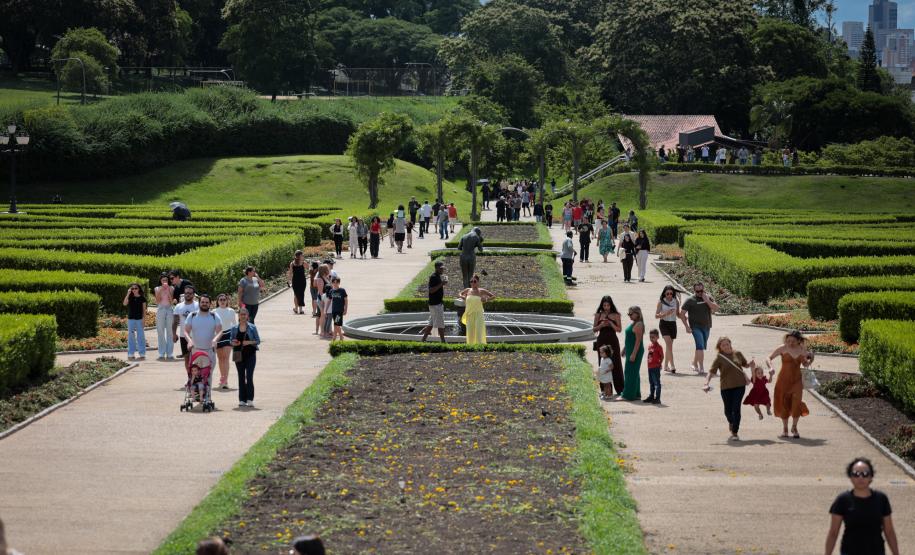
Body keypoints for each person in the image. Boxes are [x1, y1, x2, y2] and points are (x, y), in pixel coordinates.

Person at [826, 458, 900, 555]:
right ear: (850, 477)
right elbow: (833, 532)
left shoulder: (881, 499)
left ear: (871, 477)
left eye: (865, 474)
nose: (860, 478)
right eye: (856, 474)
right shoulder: (843, 500)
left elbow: (889, 531)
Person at [703, 337, 754, 441]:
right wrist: (706, 383)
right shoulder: (719, 358)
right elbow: (711, 372)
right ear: (720, 347)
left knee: (736, 408)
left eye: (727, 344)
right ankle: (731, 421)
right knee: (727, 411)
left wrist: (751, 364)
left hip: (740, 385)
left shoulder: (738, 354)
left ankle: (735, 432)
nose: (726, 346)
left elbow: (745, 365)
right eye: (723, 345)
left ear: (730, 344)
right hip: (726, 387)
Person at [768, 330, 813, 438]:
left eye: (793, 341)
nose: (790, 343)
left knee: (796, 403)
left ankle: (794, 427)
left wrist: (811, 359)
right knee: (784, 403)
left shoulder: (802, 350)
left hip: (797, 381)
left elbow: (805, 365)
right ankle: (785, 429)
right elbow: (768, 358)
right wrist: (771, 367)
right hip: (783, 380)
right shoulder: (782, 348)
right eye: (788, 341)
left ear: (798, 341)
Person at [680, 282, 719, 374]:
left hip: (707, 326)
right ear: (694, 291)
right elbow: (682, 314)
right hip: (695, 327)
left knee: (700, 346)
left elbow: (716, 308)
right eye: (697, 291)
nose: (700, 293)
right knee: (700, 346)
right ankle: (701, 367)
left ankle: (694, 363)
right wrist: (687, 327)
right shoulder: (690, 300)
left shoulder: (708, 297)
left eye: (701, 291)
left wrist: (707, 300)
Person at [593, 295, 624, 396]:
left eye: (608, 305)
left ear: (611, 305)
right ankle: (605, 390)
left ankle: (620, 389)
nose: (606, 307)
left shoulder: (616, 315)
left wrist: (611, 324)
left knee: (616, 363)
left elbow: (619, 330)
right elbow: (594, 329)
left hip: (612, 340)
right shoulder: (598, 314)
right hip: (601, 340)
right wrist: (601, 325)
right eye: (604, 305)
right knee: (603, 364)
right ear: (602, 305)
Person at [230, 307, 260, 408]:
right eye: (241, 314)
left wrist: (249, 342)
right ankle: (242, 399)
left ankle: (250, 399)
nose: (243, 316)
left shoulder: (252, 327)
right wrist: (234, 342)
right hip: (239, 355)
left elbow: (258, 341)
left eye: (244, 314)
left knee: (249, 377)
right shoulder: (234, 328)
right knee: (241, 377)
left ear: (247, 316)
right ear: (238, 316)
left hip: (251, 355)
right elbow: (231, 340)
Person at [185, 293, 222, 364]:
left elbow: (220, 331)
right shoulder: (192, 315)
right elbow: (186, 331)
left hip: (210, 351)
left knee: (208, 375)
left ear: (210, 304)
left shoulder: (214, 316)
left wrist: (215, 340)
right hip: (195, 351)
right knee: (195, 375)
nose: (204, 304)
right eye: (202, 302)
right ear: (199, 303)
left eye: (207, 302)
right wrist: (189, 341)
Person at [459, 274, 494, 345]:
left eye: (474, 281)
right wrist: (463, 297)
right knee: (470, 331)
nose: (472, 283)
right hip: (469, 314)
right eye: (471, 281)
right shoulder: (468, 290)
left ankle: (480, 346)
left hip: (479, 314)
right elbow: (459, 293)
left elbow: (493, 296)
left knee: (479, 331)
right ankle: (470, 346)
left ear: (478, 282)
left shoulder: (481, 291)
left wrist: (486, 299)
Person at [620, 306, 645, 401]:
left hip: (635, 351)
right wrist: (625, 348)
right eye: (628, 314)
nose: (629, 316)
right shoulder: (634, 323)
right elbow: (631, 338)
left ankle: (628, 395)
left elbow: (638, 341)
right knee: (634, 372)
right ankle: (636, 394)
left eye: (631, 314)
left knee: (630, 372)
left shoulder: (639, 324)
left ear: (637, 313)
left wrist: (634, 354)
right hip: (630, 349)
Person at [655, 285, 681, 373]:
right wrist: (665, 314)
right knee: (669, 344)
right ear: (664, 294)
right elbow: (656, 315)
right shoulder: (661, 302)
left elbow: (678, 314)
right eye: (667, 294)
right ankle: (672, 365)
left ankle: (665, 366)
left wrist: (684, 317)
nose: (669, 295)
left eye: (671, 293)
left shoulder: (675, 301)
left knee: (668, 346)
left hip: (673, 324)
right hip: (664, 324)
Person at [420, 261, 448, 343]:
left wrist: (442, 283)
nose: (442, 270)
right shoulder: (433, 277)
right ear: (436, 268)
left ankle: (423, 339)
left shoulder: (438, 276)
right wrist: (442, 284)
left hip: (436, 303)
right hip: (435, 304)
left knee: (431, 323)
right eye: (440, 268)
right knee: (440, 323)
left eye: (443, 268)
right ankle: (443, 342)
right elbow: (431, 290)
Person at [173, 287, 199, 369]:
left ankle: (198, 378)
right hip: (183, 336)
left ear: (193, 295)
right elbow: (175, 322)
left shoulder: (198, 305)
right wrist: (174, 334)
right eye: (186, 293)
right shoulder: (178, 306)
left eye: (190, 293)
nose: (188, 295)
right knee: (187, 358)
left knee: (197, 357)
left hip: (196, 336)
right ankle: (189, 378)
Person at [123, 282, 147, 360]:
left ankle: (142, 353)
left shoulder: (142, 298)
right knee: (131, 337)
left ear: (139, 289)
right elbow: (124, 304)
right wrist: (128, 293)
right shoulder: (130, 297)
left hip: (139, 319)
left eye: (135, 288)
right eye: (132, 288)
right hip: (131, 319)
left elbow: (144, 310)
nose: (134, 290)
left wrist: (144, 319)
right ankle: (131, 353)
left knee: (141, 336)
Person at [154, 273, 175, 360]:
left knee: (169, 331)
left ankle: (170, 353)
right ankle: (161, 353)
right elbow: (158, 300)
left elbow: (171, 301)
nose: (164, 282)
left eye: (166, 280)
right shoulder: (157, 288)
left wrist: (168, 291)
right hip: (161, 309)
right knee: (160, 331)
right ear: (160, 281)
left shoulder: (171, 288)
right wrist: (161, 290)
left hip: (169, 309)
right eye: (163, 280)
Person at [644, 329, 663, 404]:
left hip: (655, 367)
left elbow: (662, 356)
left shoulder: (659, 347)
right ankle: (651, 396)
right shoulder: (650, 346)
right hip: (650, 367)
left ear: (657, 337)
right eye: (650, 337)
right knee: (651, 382)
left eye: (653, 337)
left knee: (657, 383)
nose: (651, 339)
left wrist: (659, 364)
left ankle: (657, 398)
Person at [313, 264, 331, 338]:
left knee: (325, 316)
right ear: (324, 270)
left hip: (325, 299)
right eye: (327, 269)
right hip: (322, 300)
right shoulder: (320, 279)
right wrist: (324, 302)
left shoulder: (325, 277)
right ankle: (322, 332)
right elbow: (320, 292)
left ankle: (327, 331)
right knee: (323, 315)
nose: (329, 270)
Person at [288, 250, 307, 314]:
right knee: (299, 294)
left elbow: (290, 273)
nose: (303, 256)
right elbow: (290, 273)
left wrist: (289, 280)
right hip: (300, 280)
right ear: (299, 256)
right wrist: (289, 280)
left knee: (297, 294)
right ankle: (299, 309)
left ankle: (297, 309)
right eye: (302, 255)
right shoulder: (299, 263)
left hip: (297, 280)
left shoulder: (294, 263)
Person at [329, 276, 348, 341]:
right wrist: (325, 310)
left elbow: (346, 300)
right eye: (334, 282)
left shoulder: (342, 290)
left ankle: (337, 337)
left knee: (336, 324)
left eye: (337, 282)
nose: (335, 284)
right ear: (332, 283)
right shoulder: (331, 291)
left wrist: (345, 309)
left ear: (339, 283)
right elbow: (329, 300)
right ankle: (339, 337)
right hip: (333, 310)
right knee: (336, 324)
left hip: (339, 310)